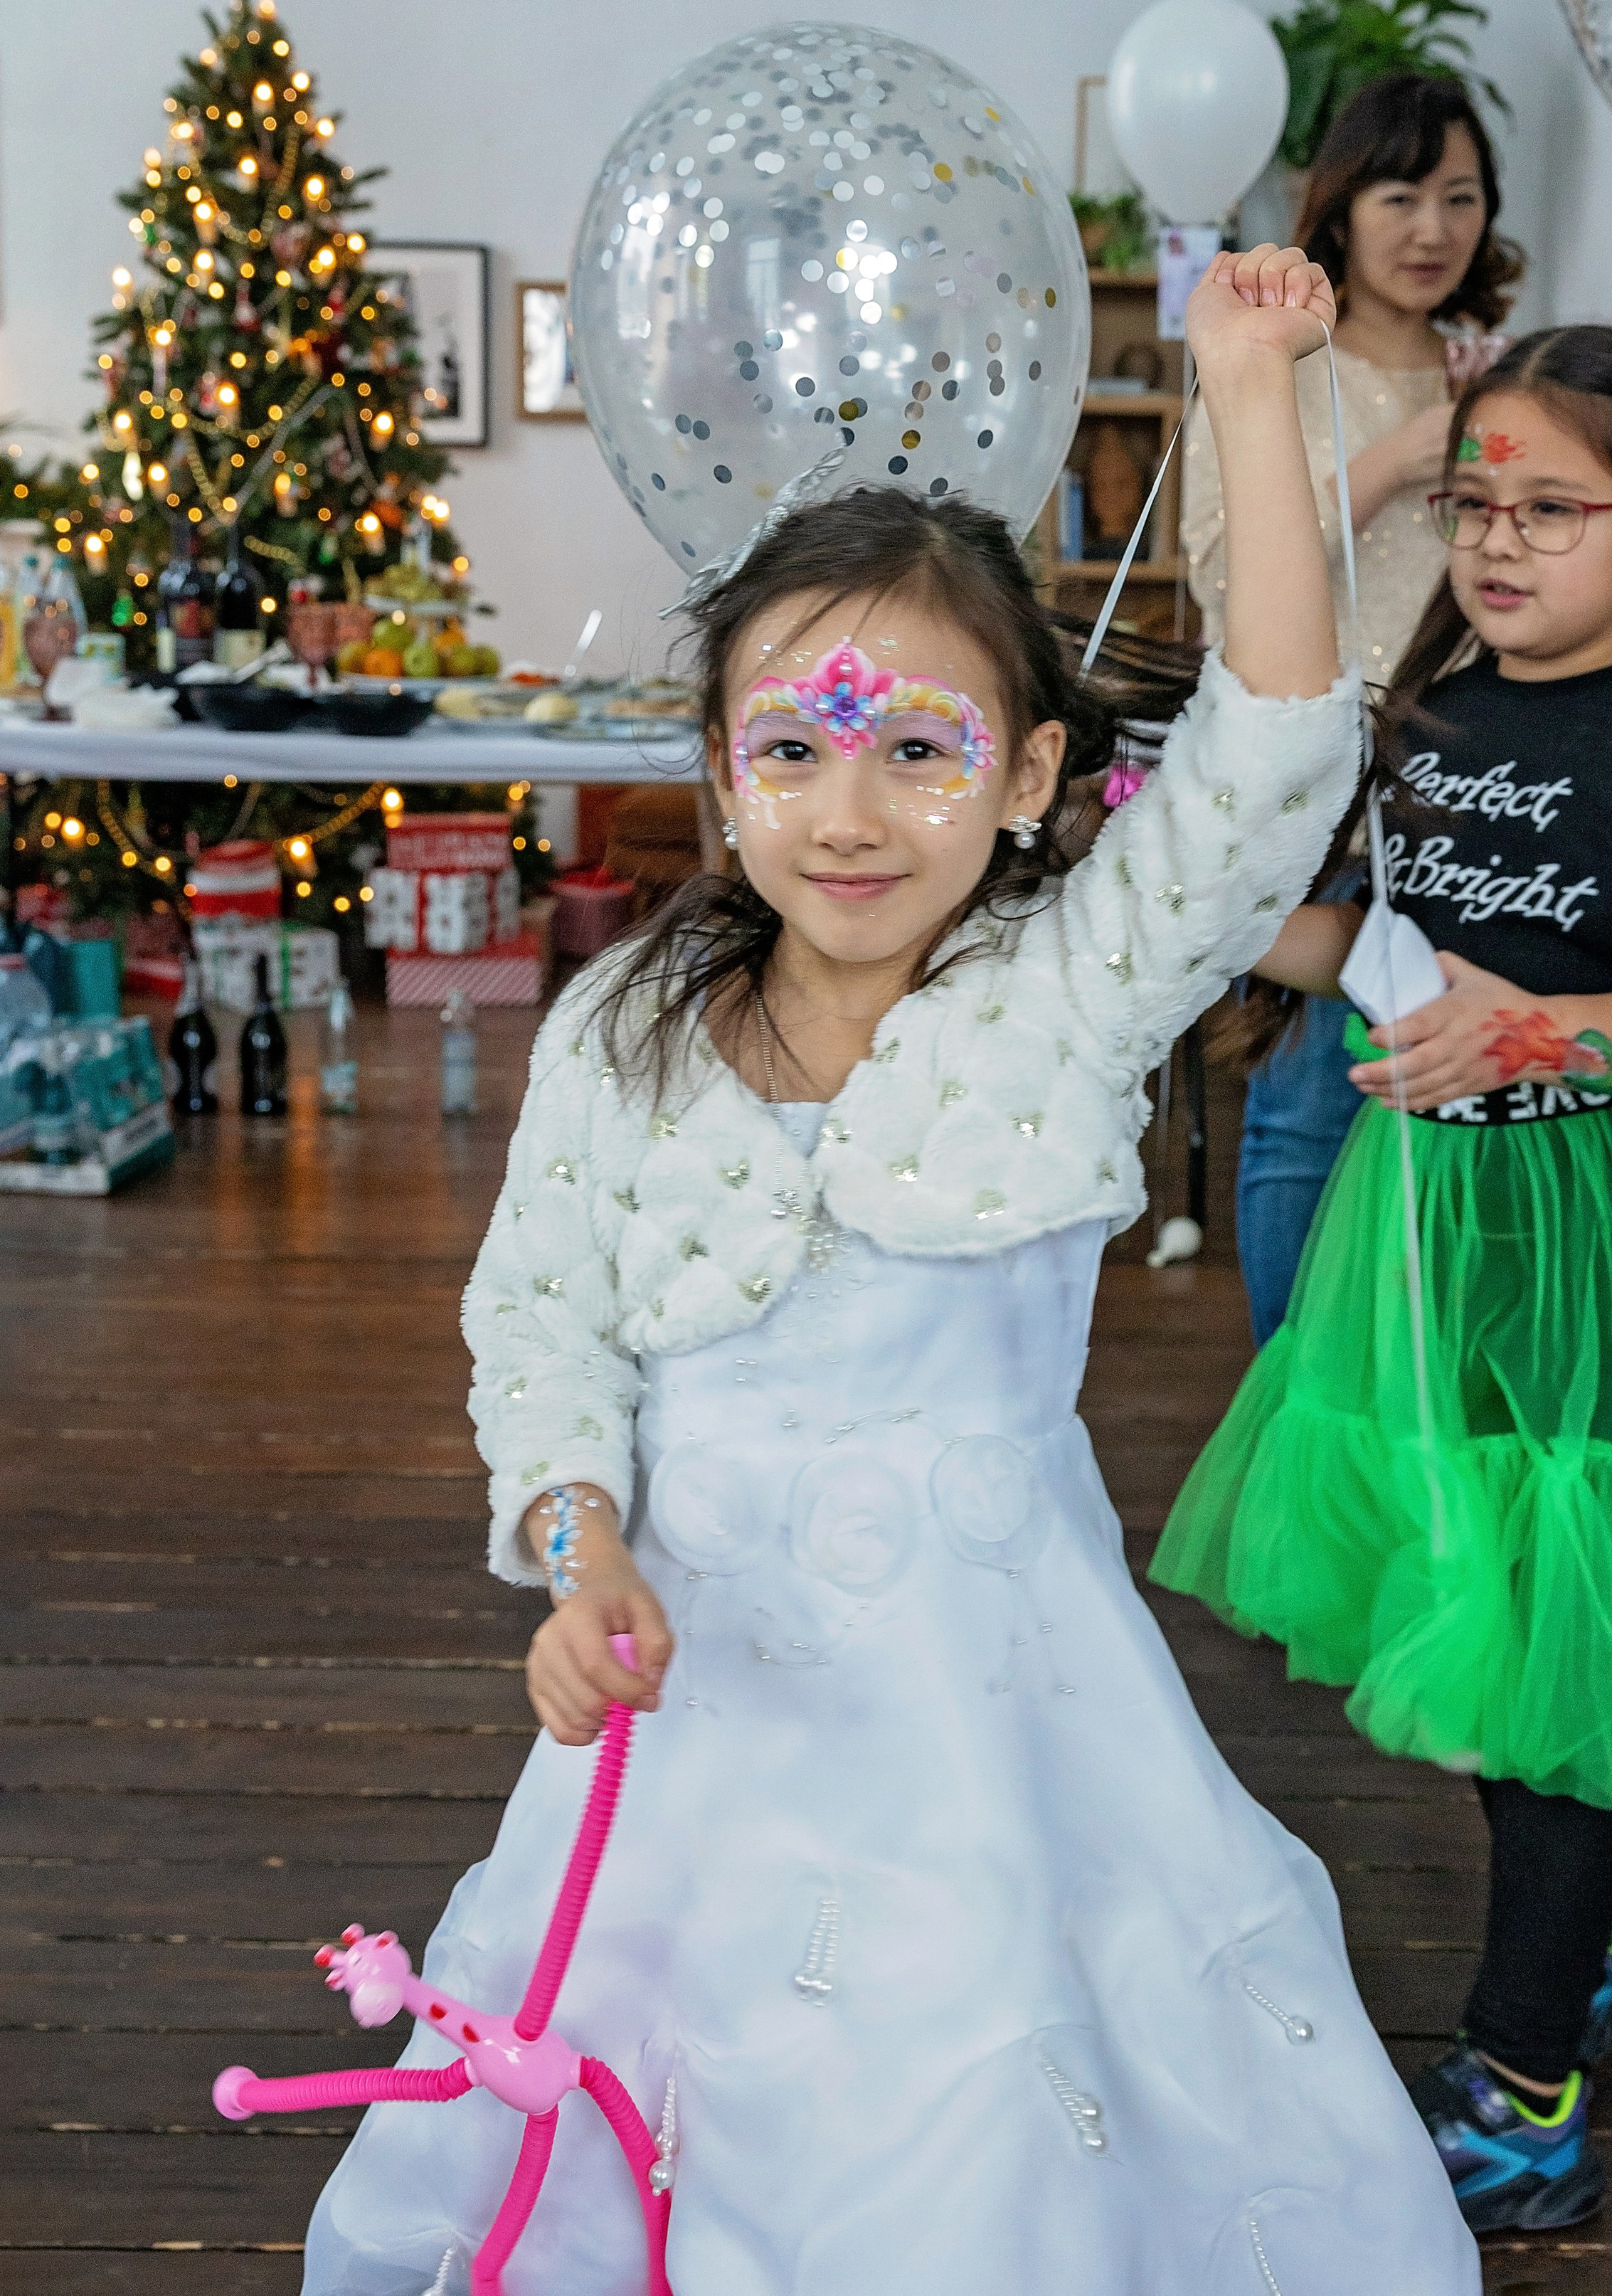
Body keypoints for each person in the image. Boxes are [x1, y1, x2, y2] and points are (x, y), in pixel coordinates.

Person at [300, 246, 1478, 2295]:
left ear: (1027, 782)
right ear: (722, 771)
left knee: (976, 2104)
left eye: (922, 752)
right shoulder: (619, 1034)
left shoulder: (1070, 991)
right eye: (796, 753)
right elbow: (544, 1321)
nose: (854, 815)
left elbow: (1279, 746)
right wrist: (584, 1555)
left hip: (996, 1714)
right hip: (697, 1699)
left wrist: (1242, 389)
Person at [1153, 322, 1612, 2238]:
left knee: (1565, 1661)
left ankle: (1523, 2087)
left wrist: (1548, 1040)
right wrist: (1175, 898)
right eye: (1474, 506)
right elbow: (1374, 949)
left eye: (1553, 509)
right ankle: (1577, 1946)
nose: (1502, 544)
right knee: (1492, 1611)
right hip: (1438, 1229)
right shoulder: (1439, 718)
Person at [1183, 73, 1525, 1345]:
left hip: (1478, 780)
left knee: (1449, 1105)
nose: (1433, 227)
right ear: (1342, 204)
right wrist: (1394, 457)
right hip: (1316, 781)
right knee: (1310, 1106)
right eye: (1401, 194)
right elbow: (1219, 568)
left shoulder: (1494, 370)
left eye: (1461, 196)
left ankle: (1408, 1410)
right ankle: (1292, 1403)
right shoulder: (1275, 359)